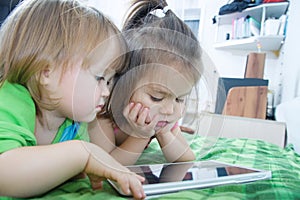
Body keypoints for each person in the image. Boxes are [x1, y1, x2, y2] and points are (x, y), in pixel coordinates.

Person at [0, 0, 146, 199]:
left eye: (110, 81)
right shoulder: (10, 101)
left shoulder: (73, 125)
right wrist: (82, 154)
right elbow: (6, 176)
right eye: (100, 77)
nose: (106, 92)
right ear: (46, 72)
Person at [89, 0, 203, 165]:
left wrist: (164, 133)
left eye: (179, 99)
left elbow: (185, 159)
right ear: (121, 84)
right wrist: (140, 135)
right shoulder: (101, 117)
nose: (169, 109)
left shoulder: (164, 116)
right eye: (156, 98)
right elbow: (107, 166)